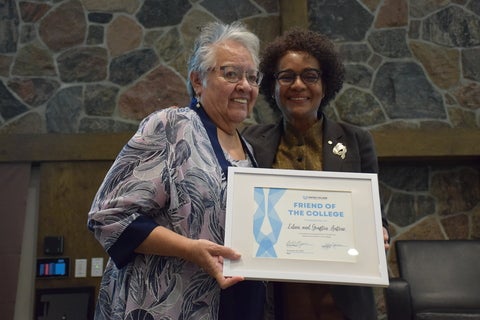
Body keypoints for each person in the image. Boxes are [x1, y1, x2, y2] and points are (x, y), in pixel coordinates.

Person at [87, 21, 267, 320]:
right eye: (231, 73)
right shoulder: (171, 127)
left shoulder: (248, 149)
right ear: (198, 81)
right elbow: (108, 216)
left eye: (252, 76)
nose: (245, 86)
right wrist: (189, 249)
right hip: (166, 305)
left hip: (236, 304)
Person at [241, 28, 390, 320]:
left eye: (310, 76)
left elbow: (373, 214)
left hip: (343, 301)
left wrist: (380, 233)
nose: (298, 85)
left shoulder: (356, 140)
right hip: (279, 299)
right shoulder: (252, 141)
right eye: (286, 76)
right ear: (272, 86)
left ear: (326, 84)